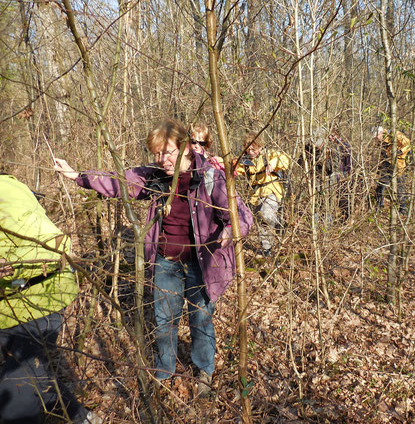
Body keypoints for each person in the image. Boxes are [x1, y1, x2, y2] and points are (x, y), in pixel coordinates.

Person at [54, 120, 253, 396]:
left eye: (167, 152)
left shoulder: (210, 176)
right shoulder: (155, 176)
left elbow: (241, 214)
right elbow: (117, 181)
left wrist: (232, 231)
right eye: (157, 154)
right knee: (164, 320)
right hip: (165, 262)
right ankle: (164, 372)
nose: (162, 160)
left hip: (203, 264)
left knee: (201, 319)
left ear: (185, 148)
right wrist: (77, 175)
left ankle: (204, 371)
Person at [0, 174, 101, 423]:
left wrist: (13, 265)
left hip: (37, 300)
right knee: (34, 376)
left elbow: (53, 247)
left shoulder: (5, 192)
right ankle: (81, 417)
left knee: (18, 391)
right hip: (11, 304)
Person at [235, 133, 291, 257]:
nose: (250, 151)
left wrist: (272, 164)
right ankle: (267, 249)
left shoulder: (269, 154)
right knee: (260, 221)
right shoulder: (245, 160)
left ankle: (274, 236)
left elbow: (284, 159)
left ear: (259, 147)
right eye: (248, 148)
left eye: (253, 148)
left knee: (266, 217)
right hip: (256, 195)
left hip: (271, 191)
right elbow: (234, 167)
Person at [303, 127, 352, 221]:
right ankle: (316, 226)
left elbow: (334, 167)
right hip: (315, 181)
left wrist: (324, 159)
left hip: (329, 181)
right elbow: (301, 162)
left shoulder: (333, 148)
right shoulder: (309, 148)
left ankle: (327, 226)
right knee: (316, 205)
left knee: (328, 206)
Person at [372, 125, 411, 214]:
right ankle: (379, 207)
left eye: (377, 136)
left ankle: (403, 208)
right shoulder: (381, 141)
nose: (376, 139)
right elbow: (383, 154)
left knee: (400, 186)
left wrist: (400, 152)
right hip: (387, 164)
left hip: (399, 164)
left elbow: (408, 144)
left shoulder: (395, 134)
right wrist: (380, 166)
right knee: (381, 185)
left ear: (381, 133)